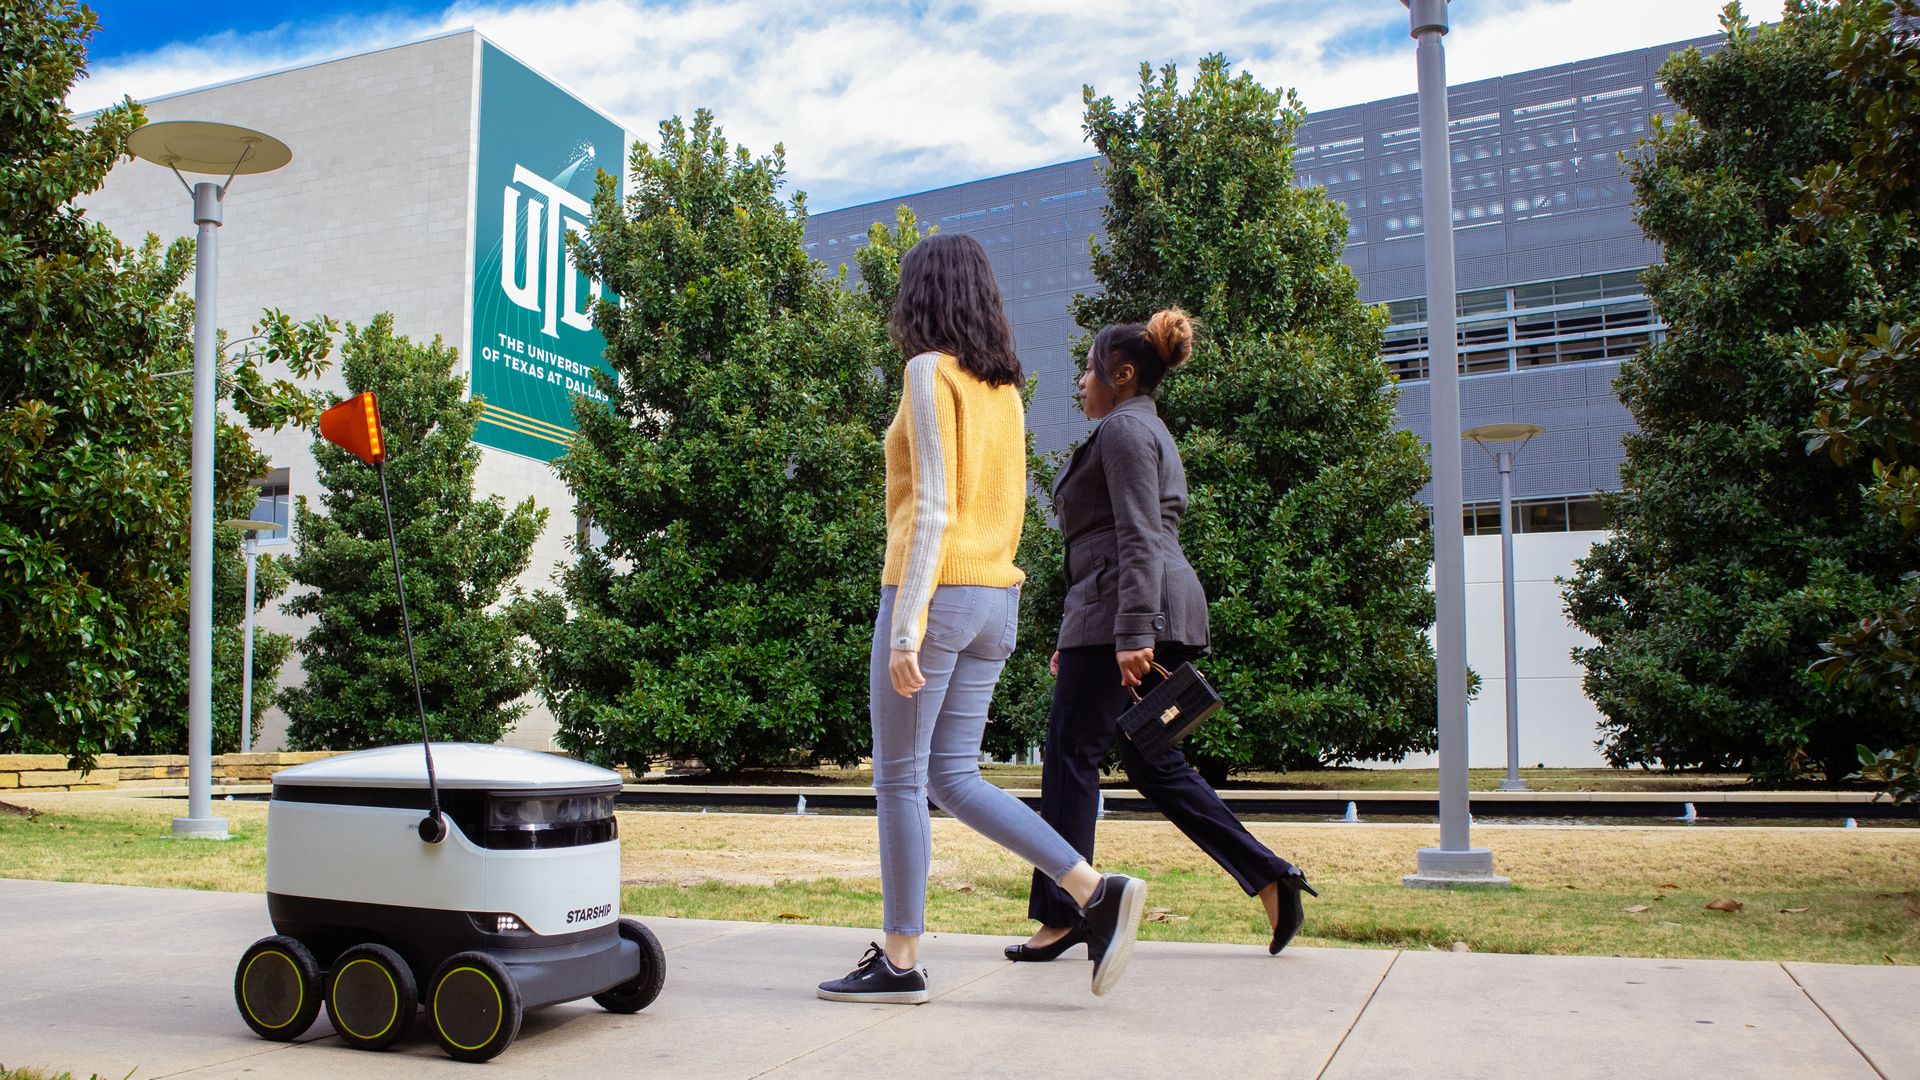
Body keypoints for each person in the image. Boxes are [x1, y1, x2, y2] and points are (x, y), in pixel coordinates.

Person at [816, 232, 1147, 1006]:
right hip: (997, 598)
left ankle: (899, 961)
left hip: (934, 594)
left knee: (899, 778)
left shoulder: (929, 373)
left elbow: (932, 506)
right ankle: (1093, 890)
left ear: (919, 295)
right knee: (953, 776)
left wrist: (906, 625)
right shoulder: (1004, 392)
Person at [1008, 309, 1317, 965]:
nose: (1079, 382)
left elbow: (1138, 537)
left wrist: (1129, 632)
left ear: (1120, 375)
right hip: (1123, 611)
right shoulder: (1138, 427)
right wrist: (1085, 631)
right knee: (1151, 761)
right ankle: (1270, 877)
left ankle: (1067, 914)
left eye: (1088, 370)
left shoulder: (1123, 429)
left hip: (1129, 612)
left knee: (1069, 754)